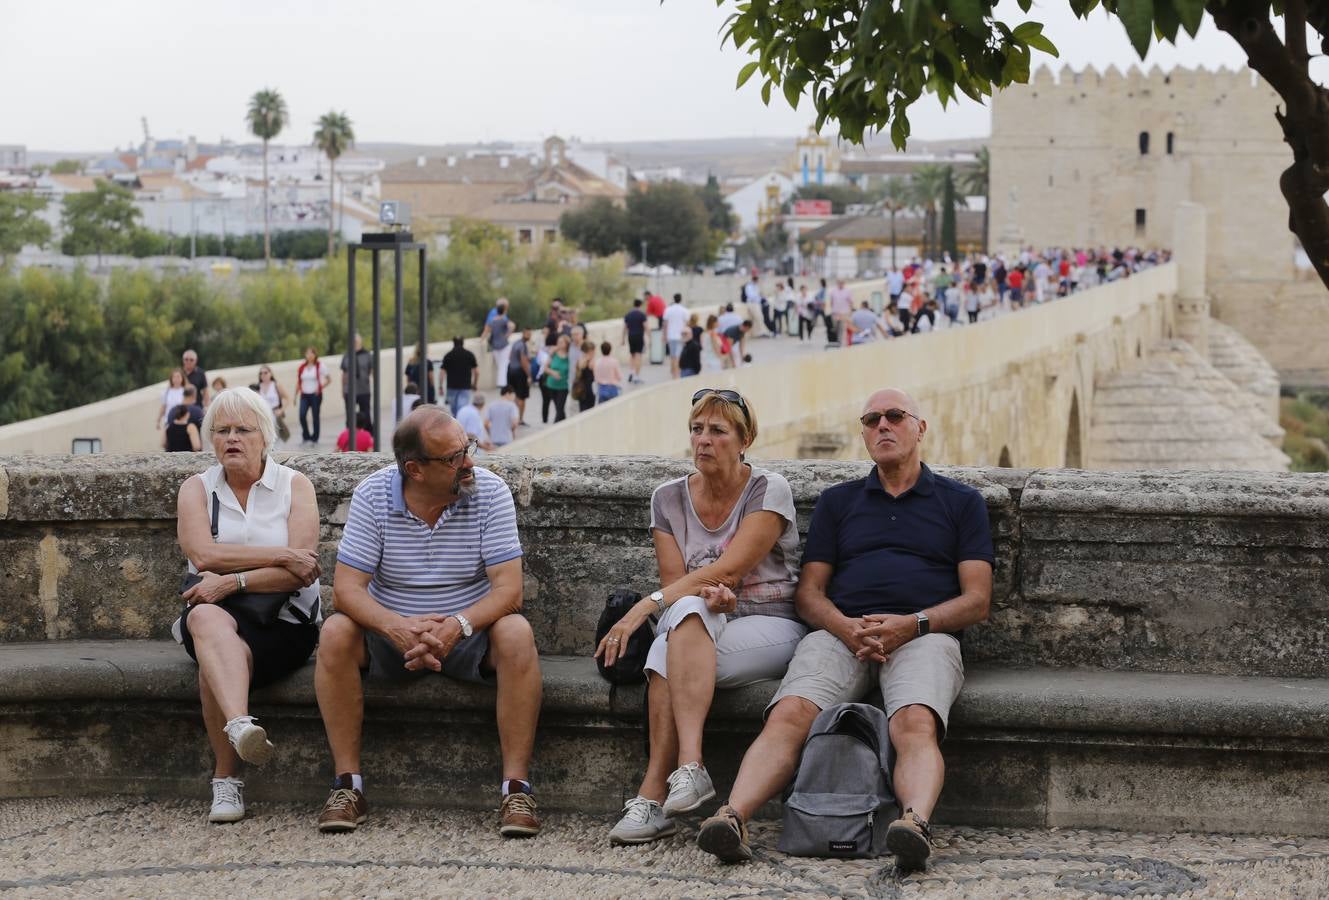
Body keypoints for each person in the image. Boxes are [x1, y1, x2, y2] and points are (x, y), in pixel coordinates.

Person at [695, 388, 993, 870]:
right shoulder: (840, 503)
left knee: (914, 723)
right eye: (872, 419)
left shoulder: (961, 502)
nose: (883, 426)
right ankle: (734, 816)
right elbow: (809, 592)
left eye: (895, 416)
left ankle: (914, 824)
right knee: (789, 713)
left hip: (923, 634)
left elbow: (977, 599)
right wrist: (845, 627)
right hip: (841, 633)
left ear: (920, 428)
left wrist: (911, 624)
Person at [313, 407, 543, 836]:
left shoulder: (489, 492)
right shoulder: (373, 495)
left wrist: (456, 625)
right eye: (455, 457)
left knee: (516, 632)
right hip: (391, 634)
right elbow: (347, 590)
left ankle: (516, 789)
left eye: (467, 448)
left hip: (470, 632)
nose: (470, 462)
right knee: (335, 632)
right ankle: (348, 785)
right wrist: (396, 628)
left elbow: (509, 592)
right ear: (415, 470)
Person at [598, 388, 806, 846]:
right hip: (700, 621)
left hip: (771, 622)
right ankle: (690, 769)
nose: (703, 441)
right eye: (697, 430)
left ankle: (652, 795)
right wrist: (686, 600)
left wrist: (642, 607)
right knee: (685, 613)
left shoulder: (768, 489)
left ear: (745, 437)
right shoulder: (667, 499)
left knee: (664, 648)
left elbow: (730, 569)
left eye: (717, 431)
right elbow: (680, 590)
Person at [173, 387, 323, 823]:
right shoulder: (196, 489)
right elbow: (204, 556)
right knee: (204, 619)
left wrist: (231, 582)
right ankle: (240, 727)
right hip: (213, 615)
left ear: (266, 437)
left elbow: (303, 569)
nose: (231, 438)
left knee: (212, 662)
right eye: (222, 430)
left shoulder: (295, 486)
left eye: (243, 429)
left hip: (285, 622)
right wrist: (278, 554)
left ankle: (226, 780)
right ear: (210, 438)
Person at [298, 347, 332, 447]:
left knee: (315, 416)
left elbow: (329, 379)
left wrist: (320, 387)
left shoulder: (320, 366)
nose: (309, 355)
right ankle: (306, 435)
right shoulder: (302, 367)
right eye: (307, 353)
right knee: (302, 415)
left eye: (311, 353)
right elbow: (299, 381)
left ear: (315, 355)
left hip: (315, 395)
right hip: (304, 395)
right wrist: (296, 395)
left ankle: (315, 437)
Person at [340, 334, 373, 436]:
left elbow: (371, 370)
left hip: (363, 389)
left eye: (356, 341)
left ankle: (367, 434)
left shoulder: (367, 355)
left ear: (360, 342)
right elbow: (344, 374)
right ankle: (350, 433)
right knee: (350, 413)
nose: (355, 343)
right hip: (349, 390)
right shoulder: (346, 355)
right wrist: (342, 389)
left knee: (366, 412)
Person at [480, 298, 514, 389]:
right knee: (504, 365)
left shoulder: (492, 320)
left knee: (501, 365)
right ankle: (503, 384)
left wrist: (481, 339)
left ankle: (502, 382)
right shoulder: (503, 320)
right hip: (503, 345)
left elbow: (486, 330)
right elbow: (512, 326)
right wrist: (507, 335)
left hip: (495, 345)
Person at [442, 337, 479, 416]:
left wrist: (440, 387)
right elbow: (476, 372)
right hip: (465, 386)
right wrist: (475, 384)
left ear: (453, 343)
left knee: (453, 409)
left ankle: (456, 423)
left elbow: (442, 373)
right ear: (463, 343)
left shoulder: (448, 355)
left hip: (451, 387)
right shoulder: (469, 355)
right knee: (462, 408)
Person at [256, 365, 291, 444]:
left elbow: (287, 398)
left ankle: (278, 453)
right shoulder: (258, 387)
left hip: (275, 414)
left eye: (265, 373)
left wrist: (281, 410)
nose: (263, 375)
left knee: (277, 436)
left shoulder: (276, 385)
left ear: (270, 373)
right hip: (263, 415)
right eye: (261, 373)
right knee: (266, 437)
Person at [541, 334, 571, 424]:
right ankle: (564, 424)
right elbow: (545, 368)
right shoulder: (553, 354)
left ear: (566, 344)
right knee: (559, 408)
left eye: (561, 342)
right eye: (558, 342)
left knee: (560, 408)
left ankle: (555, 426)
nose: (559, 344)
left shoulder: (569, 356)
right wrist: (553, 373)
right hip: (552, 385)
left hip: (563, 386)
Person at [507, 328, 532, 424]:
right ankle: (520, 419)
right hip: (519, 372)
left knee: (513, 395)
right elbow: (523, 361)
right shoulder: (522, 345)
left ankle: (513, 417)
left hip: (511, 370)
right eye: (528, 334)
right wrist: (529, 375)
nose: (529, 336)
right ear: (524, 334)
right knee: (522, 396)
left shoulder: (515, 343)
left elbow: (510, 357)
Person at [662, 294, 690, 380]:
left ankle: (673, 372)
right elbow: (686, 324)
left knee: (672, 355)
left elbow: (665, 324)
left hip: (671, 335)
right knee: (678, 356)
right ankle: (676, 374)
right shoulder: (684, 310)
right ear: (681, 299)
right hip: (680, 336)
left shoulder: (668, 310)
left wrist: (664, 335)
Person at [623, 298, 649, 384]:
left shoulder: (628, 315)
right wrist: (650, 336)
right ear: (640, 305)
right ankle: (636, 376)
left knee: (632, 355)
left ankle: (631, 372)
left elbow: (625, 328)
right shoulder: (642, 315)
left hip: (630, 336)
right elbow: (645, 326)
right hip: (639, 336)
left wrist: (622, 339)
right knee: (638, 356)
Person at [574, 339, 598, 413]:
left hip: (583, 390)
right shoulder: (589, 361)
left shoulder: (580, 360)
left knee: (583, 410)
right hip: (587, 390)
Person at [828, 279, 854, 343]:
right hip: (835, 313)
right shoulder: (833, 291)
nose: (840, 284)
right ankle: (836, 340)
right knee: (835, 328)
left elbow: (851, 302)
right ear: (837, 283)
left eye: (842, 283)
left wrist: (850, 312)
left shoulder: (848, 291)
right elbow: (831, 302)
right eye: (839, 283)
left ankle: (841, 342)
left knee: (843, 328)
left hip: (844, 313)